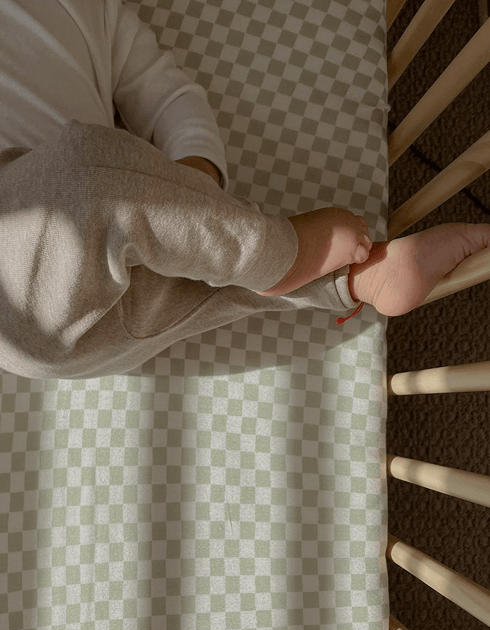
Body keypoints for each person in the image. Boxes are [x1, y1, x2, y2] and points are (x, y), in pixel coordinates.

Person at [0, 0, 489, 380]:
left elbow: (170, 98)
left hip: (115, 263)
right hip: (23, 285)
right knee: (79, 183)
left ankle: (361, 276)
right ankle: (281, 254)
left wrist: (195, 181)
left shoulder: (97, 13)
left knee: (181, 273)